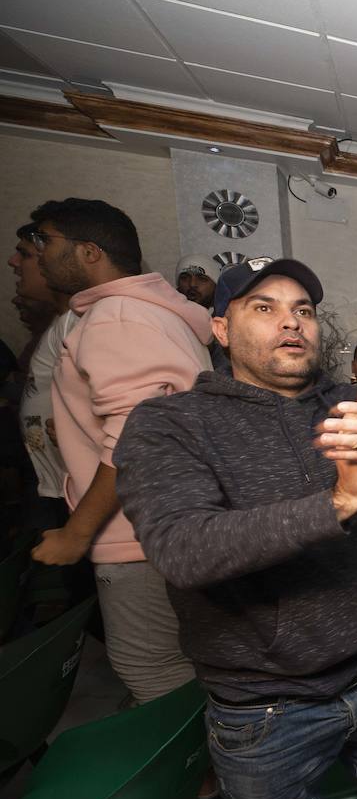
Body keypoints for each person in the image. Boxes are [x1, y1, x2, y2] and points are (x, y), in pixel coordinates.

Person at [115, 258, 357, 799]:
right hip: (265, 710)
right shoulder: (170, 423)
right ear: (221, 329)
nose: (290, 323)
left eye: (303, 310)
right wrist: (335, 506)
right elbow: (182, 549)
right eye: (263, 308)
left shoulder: (356, 402)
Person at [31, 197, 208, 704]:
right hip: (170, 518)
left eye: (47, 241)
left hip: (135, 529)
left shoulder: (118, 317)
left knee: (148, 668)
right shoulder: (153, 314)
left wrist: (77, 532)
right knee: (182, 657)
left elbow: (136, 434)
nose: (37, 254)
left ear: (89, 251)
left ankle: (210, 775)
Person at [11, 223, 75, 530]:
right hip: (55, 484)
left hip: (74, 485)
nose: (13, 262)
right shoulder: (60, 322)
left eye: (24, 254)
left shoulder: (80, 323)